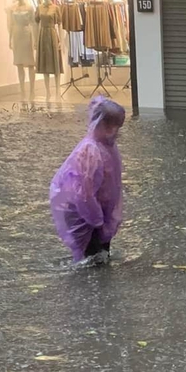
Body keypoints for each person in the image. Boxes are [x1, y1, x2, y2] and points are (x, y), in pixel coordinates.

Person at [50, 96, 125, 264]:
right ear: (99, 123)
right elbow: (84, 194)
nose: (114, 130)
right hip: (84, 215)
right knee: (89, 261)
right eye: (110, 125)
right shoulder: (89, 151)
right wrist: (97, 221)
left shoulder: (107, 146)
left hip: (98, 214)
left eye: (117, 126)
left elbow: (113, 184)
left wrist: (107, 220)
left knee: (100, 259)